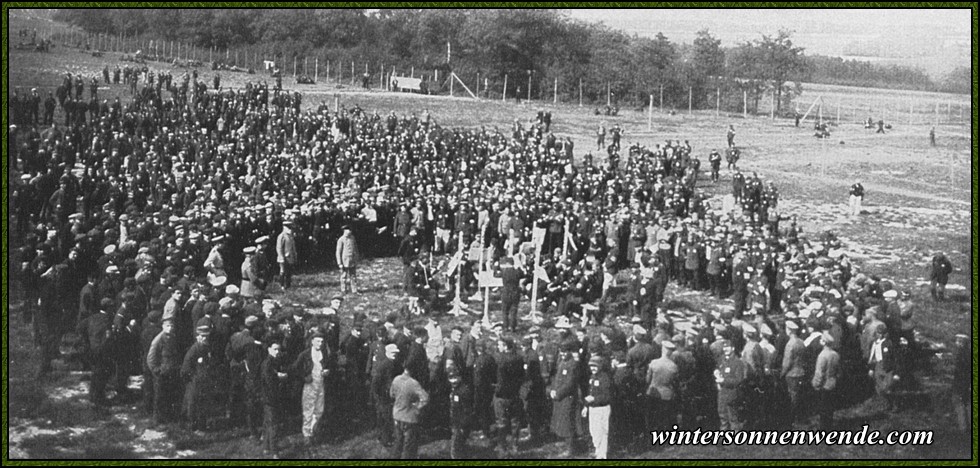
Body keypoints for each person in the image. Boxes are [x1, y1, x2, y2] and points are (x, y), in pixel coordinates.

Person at [292, 331, 332, 444]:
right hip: (310, 385)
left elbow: (329, 366)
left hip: (321, 384)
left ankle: (314, 430)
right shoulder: (305, 354)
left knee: (319, 409)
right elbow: (295, 368)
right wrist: (304, 377)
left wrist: (327, 371)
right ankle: (306, 434)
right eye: (318, 341)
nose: (320, 343)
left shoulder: (325, 353)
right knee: (308, 409)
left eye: (322, 341)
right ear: (312, 341)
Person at [390, 361, 429, 459]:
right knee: (409, 445)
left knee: (398, 442)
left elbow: (391, 394)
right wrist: (417, 407)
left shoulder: (396, 379)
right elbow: (425, 398)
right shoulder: (414, 383)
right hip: (409, 418)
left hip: (397, 415)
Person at [492, 337, 525, 455]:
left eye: (500, 345)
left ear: (505, 346)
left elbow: (500, 381)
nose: (498, 347)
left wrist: (496, 392)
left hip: (502, 397)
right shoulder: (519, 358)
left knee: (502, 422)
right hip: (515, 395)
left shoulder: (501, 360)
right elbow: (522, 376)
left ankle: (502, 448)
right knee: (515, 422)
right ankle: (515, 446)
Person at [261, 340, 289, 458]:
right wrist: (280, 378)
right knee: (273, 425)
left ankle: (267, 448)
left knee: (269, 423)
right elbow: (269, 381)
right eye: (275, 349)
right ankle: (275, 452)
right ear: (269, 350)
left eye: (279, 349)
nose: (277, 352)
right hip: (270, 398)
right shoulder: (267, 363)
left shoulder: (275, 362)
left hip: (272, 397)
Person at [714, 339, 746, 431]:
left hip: (732, 394)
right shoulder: (721, 360)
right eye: (724, 347)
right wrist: (716, 372)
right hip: (722, 393)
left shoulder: (737, 362)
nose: (725, 349)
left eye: (727, 347)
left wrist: (724, 380)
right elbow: (719, 370)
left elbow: (738, 380)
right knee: (723, 417)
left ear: (733, 348)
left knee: (733, 418)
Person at [584, 355, 613, 459]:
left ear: (601, 366)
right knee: (594, 431)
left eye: (595, 366)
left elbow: (607, 397)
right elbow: (590, 392)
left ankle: (602, 455)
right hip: (593, 408)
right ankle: (597, 450)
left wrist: (594, 399)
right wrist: (586, 406)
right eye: (591, 366)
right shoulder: (592, 377)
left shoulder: (604, 378)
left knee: (602, 432)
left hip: (602, 408)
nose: (593, 368)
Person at [371, 343, 399, 448]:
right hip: (383, 396)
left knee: (384, 418)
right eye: (392, 353)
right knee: (386, 418)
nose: (394, 355)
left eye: (395, 353)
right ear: (387, 353)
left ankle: (382, 437)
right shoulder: (385, 365)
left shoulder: (392, 363)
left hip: (387, 395)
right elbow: (376, 382)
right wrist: (378, 395)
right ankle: (386, 440)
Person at [811, 332, 840, 430]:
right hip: (833, 383)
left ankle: (824, 429)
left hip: (824, 385)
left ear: (823, 342)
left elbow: (819, 373)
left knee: (823, 408)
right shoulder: (835, 354)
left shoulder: (822, 356)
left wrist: (815, 384)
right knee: (830, 408)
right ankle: (829, 426)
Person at [952, 334, 971, 433]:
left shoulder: (963, 355)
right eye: (957, 341)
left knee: (960, 403)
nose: (957, 343)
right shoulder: (965, 353)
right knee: (966, 403)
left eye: (960, 341)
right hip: (965, 383)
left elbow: (963, 372)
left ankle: (963, 427)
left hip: (962, 384)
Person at [336, 225, 360, 294]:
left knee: (353, 276)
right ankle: (343, 290)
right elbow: (338, 252)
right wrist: (339, 263)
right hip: (344, 261)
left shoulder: (352, 238)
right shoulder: (341, 240)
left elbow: (355, 249)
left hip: (352, 260)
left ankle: (354, 290)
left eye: (350, 230)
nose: (349, 231)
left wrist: (356, 259)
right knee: (344, 276)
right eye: (348, 230)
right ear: (344, 231)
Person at [277, 220, 297, 290]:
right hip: (284, 257)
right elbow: (279, 248)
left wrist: (294, 255)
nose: (290, 229)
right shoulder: (281, 236)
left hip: (290, 257)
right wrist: (281, 257)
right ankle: (282, 285)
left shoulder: (290, 236)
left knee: (289, 272)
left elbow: (293, 247)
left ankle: (288, 285)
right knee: (283, 271)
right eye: (288, 227)